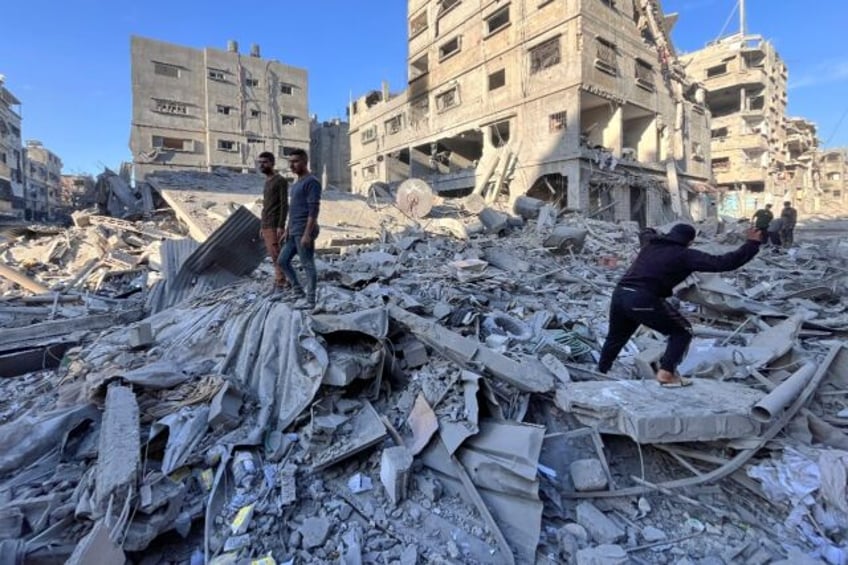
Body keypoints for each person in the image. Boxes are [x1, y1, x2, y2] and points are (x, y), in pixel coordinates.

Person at [597, 223, 763, 387]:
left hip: (620, 293)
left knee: (616, 337)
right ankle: (666, 373)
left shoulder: (650, 243)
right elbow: (723, 263)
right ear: (690, 241)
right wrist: (752, 244)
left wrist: (653, 230)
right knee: (682, 332)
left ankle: (600, 371)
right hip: (642, 298)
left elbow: (645, 233)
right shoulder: (685, 255)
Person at [278, 149, 321, 310]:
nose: (291, 165)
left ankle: (310, 301)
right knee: (282, 261)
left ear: (305, 161)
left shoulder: (312, 182)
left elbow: (313, 210)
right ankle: (298, 290)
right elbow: (294, 209)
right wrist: (288, 229)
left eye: (295, 161)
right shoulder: (296, 183)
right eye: (290, 162)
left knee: (308, 264)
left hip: (304, 230)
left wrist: (307, 234)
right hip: (293, 230)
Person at [257, 152, 289, 290]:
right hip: (266, 224)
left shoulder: (280, 181)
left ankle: (282, 281)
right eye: (260, 162)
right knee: (273, 253)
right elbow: (266, 206)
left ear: (272, 163)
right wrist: (262, 225)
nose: (261, 165)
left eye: (264, 162)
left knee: (277, 254)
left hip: (275, 224)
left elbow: (284, 204)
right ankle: (280, 278)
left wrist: (280, 225)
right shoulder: (267, 181)